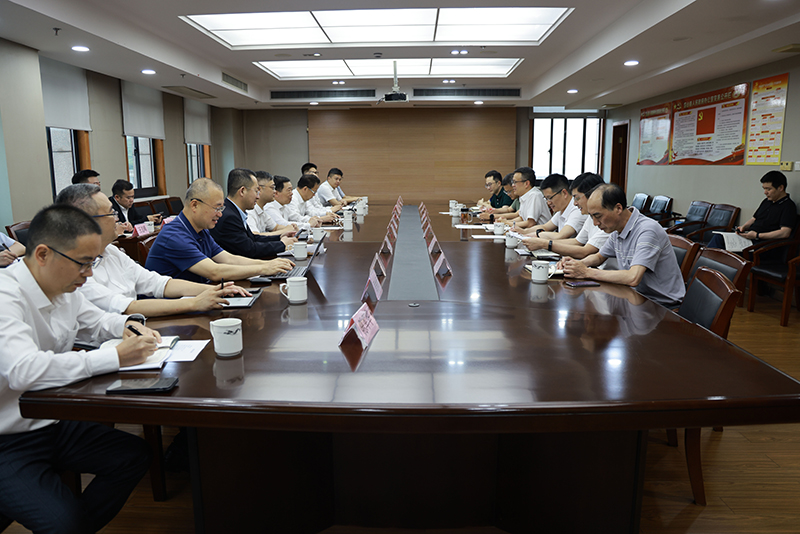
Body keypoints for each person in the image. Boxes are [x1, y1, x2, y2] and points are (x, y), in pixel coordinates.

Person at [0, 204, 159, 533]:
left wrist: (129, 326)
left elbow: (97, 322)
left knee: (132, 455)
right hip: (6, 437)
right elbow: (24, 370)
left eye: (93, 262)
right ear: (43, 254)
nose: (88, 273)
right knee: (63, 522)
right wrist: (116, 357)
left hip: (50, 420)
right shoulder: (5, 296)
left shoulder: (63, 287)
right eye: (83, 263)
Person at [56, 183, 249, 318]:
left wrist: (216, 290)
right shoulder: (73, 270)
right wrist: (194, 302)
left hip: (136, 329)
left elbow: (158, 282)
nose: (118, 219)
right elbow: (126, 308)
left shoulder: (111, 252)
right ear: (86, 221)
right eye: (111, 213)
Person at [145, 178, 294, 282]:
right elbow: (214, 272)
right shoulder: (174, 236)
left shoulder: (201, 230)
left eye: (221, 208)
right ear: (195, 205)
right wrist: (263, 269)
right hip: (173, 309)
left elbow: (229, 259)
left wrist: (268, 264)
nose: (220, 214)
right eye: (216, 208)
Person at [560, 183, 685, 307]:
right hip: (634, 297)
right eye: (592, 217)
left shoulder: (648, 230)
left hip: (661, 305)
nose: (595, 223)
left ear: (618, 208)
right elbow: (599, 257)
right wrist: (576, 264)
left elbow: (633, 277)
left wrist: (586, 272)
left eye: (598, 216)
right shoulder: (617, 230)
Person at [522, 173, 613, 263]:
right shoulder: (590, 217)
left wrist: (544, 244)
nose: (575, 203)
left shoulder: (607, 221)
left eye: (577, 198)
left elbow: (585, 251)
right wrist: (540, 241)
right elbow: (577, 242)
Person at [210, 168, 294, 258]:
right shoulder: (229, 217)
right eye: (256, 191)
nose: (258, 196)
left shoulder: (234, 211)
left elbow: (252, 238)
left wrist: (280, 237)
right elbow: (249, 249)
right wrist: (282, 245)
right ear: (242, 191)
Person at [708, 170, 797, 250]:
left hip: (763, 245)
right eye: (764, 189)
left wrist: (757, 235)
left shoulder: (788, 206)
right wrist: (743, 227)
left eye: (768, 189)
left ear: (780, 188)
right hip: (750, 239)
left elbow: (785, 233)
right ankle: (705, 262)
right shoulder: (767, 201)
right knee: (719, 237)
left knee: (722, 249)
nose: (765, 192)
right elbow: (754, 219)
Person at [519, 173, 586, 239]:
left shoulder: (577, 210)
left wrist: (537, 235)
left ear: (564, 193)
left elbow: (561, 235)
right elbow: (545, 227)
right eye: (546, 199)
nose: (548, 203)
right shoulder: (562, 209)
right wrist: (523, 231)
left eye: (550, 198)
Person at [246, 171, 297, 236]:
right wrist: (284, 231)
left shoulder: (262, 210)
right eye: (272, 188)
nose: (275, 191)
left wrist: (290, 227)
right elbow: (255, 236)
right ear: (259, 189)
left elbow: (275, 227)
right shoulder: (250, 211)